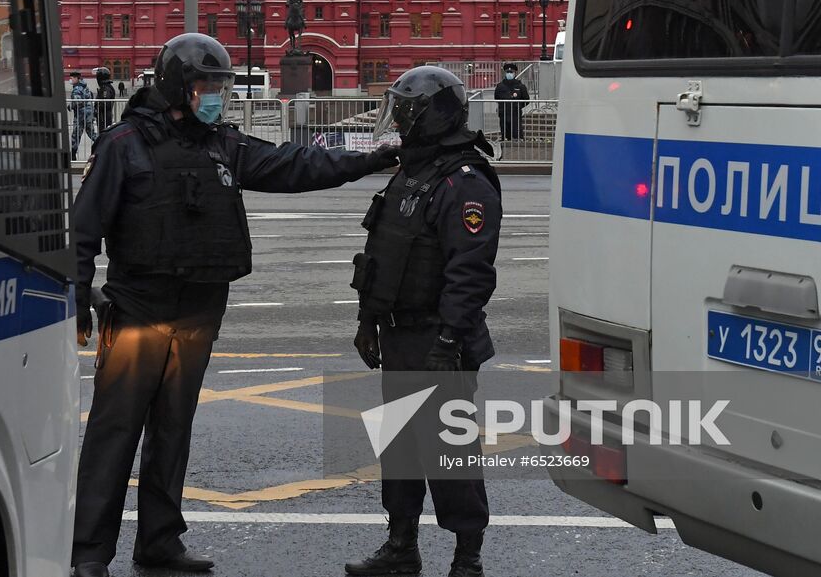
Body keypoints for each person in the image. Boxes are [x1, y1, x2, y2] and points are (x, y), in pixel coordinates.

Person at [70, 33, 399, 577]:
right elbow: (83, 230)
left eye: (219, 85)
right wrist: (79, 294)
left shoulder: (220, 143)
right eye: (207, 84)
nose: (215, 95)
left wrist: (369, 160)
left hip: (198, 311)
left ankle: (160, 542)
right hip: (138, 310)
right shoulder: (123, 143)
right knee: (115, 432)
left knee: (173, 432)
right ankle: (88, 553)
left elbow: (293, 165)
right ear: (178, 84)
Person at [348, 66, 500, 577]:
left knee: (449, 452)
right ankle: (401, 545)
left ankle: (467, 556)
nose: (403, 121)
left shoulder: (465, 181)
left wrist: (449, 338)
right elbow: (382, 254)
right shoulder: (411, 171)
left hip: (440, 336)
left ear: (434, 115)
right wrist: (369, 320)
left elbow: (470, 273)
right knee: (401, 447)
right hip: (398, 331)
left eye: (410, 111)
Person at [494, 64, 529, 141]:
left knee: (517, 135)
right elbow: (496, 98)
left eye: (511, 72)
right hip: (504, 113)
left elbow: (526, 99)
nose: (509, 73)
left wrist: (519, 106)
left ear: (515, 73)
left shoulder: (520, 86)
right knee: (505, 135)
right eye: (507, 72)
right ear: (505, 73)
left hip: (515, 114)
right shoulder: (500, 86)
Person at [69, 71, 97, 159]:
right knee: (91, 133)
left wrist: (70, 106)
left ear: (77, 78)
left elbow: (77, 102)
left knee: (76, 134)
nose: (71, 80)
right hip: (88, 114)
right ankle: (103, 144)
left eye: (72, 78)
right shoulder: (85, 86)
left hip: (81, 114)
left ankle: (73, 156)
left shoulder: (77, 89)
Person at [94, 66, 117, 132]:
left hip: (104, 116)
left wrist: (97, 107)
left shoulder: (105, 88)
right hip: (103, 115)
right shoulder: (105, 87)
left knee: (104, 132)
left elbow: (105, 103)